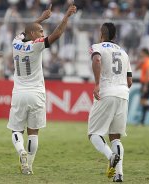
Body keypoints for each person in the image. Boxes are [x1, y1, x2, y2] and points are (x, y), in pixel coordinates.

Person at [7, 4, 76, 175]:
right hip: (36, 93)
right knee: (34, 133)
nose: (42, 34)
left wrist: (41, 19)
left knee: (17, 130)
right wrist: (66, 16)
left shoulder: (15, 43)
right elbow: (57, 34)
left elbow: (26, 29)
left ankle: (21, 151)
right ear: (32, 35)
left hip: (19, 93)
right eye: (40, 32)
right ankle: (28, 166)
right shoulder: (36, 45)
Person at [88, 22, 132, 182]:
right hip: (123, 94)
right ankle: (119, 174)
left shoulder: (97, 47)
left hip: (107, 92)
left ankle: (110, 155)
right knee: (115, 138)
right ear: (115, 36)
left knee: (94, 134)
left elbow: (97, 60)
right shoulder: (124, 53)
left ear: (101, 34)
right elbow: (130, 80)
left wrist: (97, 84)